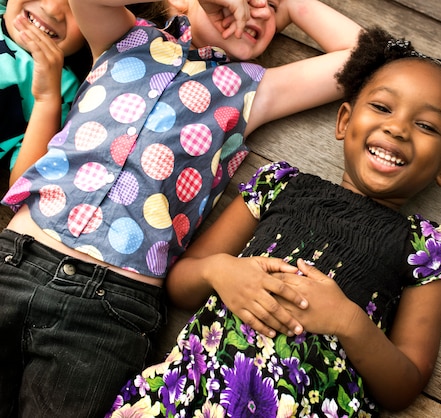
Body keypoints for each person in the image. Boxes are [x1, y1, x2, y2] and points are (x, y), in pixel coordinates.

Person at [107, 26, 441, 417]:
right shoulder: (278, 186)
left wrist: (349, 322)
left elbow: (404, 386)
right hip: (186, 399)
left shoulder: (425, 249)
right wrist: (222, 272)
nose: (397, 128)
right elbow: (179, 286)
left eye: (427, 126)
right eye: (382, 107)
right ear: (344, 121)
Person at [0, 0, 361, 416]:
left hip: (109, 310)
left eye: (272, 9)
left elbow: (362, 59)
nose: (258, 10)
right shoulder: (122, 35)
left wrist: (297, 6)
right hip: (15, 261)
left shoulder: (256, 88)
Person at [0, 0, 90, 184]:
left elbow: (21, 187)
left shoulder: (63, 88)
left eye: (78, 5)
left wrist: (46, 100)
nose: (52, 9)